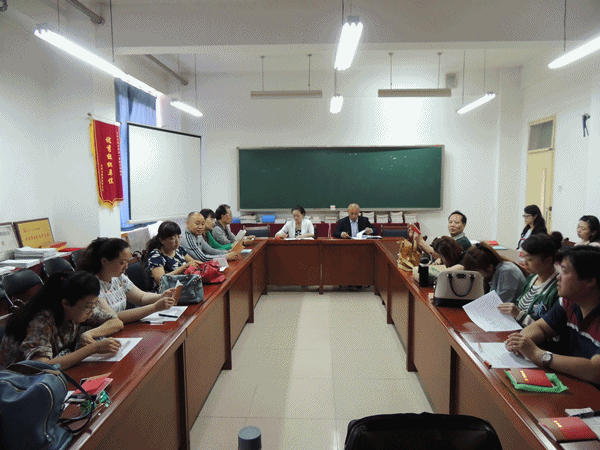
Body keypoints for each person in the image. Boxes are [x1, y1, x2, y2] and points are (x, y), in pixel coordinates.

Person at [505, 246, 600, 384]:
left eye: (564, 272)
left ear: (590, 281)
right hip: (570, 379)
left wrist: (539, 355)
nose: (558, 277)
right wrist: (521, 342)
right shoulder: (568, 303)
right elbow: (541, 327)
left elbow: (595, 370)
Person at [0, 271, 123, 370]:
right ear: (65, 303)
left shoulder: (78, 308)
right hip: (17, 384)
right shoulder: (41, 321)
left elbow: (115, 321)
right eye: (88, 307)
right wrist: (93, 348)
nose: (92, 311)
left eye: (94, 305)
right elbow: (41, 367)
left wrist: (89, 334)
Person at [78, 237, 178, 323]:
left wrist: (161, 296)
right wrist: (155, 307)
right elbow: (113, 317)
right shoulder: (91, 286)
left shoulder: (119, 277)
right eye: (122, 263)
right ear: (104, 261)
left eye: (127, 262)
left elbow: (141, 297)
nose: (126, 267)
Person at [499, 232, 562, 326]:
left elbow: (549, 328)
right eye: (523, 257)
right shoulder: (532, 278)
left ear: (547, 260)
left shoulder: (557, 288)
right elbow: (520, 303)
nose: (524, 263)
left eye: (529, 259)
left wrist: (519, 315)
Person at [146, 221, 203, 292]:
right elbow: (161, 280)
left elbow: (193, 262)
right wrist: (184, 267)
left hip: (183, 288)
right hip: (164, 293)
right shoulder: (156, 255)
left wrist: (202, 265)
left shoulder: (179, 249)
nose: (177, 241)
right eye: (172, 238)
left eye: (178, 237)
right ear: (162, 240)